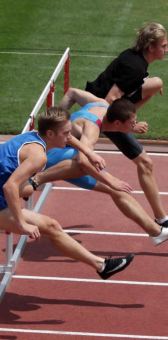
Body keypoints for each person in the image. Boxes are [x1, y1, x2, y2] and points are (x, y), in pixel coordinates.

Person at [0, 106, 135, 281]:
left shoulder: (33, 134)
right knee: (51, 226)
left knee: (28, 188)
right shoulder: (38, 157)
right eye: (65, 133)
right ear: (50, 134)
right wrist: (22, 224)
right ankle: (102, 266)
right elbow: (9, 187)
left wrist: (89, 152)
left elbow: (69, 138)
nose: (69, 136)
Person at [26, 88, 168, 246]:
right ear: (118, 124)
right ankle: (35, 179)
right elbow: (82, 161)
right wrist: (110, 180)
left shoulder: (101, 104)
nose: (135, 125)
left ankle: (157, 232)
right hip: (50, 157)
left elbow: (72, 92)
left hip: (58, 150)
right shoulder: (92, 129)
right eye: (132, 123)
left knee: (115, 188)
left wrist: (55, 120)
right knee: (109, 182)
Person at [85, 22, 168, 228]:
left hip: (107, 105)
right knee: (145, 163)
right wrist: (130, 125)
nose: (166, 49)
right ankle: (162, 220)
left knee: (156, 83)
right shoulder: (135, 68)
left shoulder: (136, 59)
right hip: (102, 112)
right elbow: (110, 100)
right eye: (164, 46)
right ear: (151, 47)